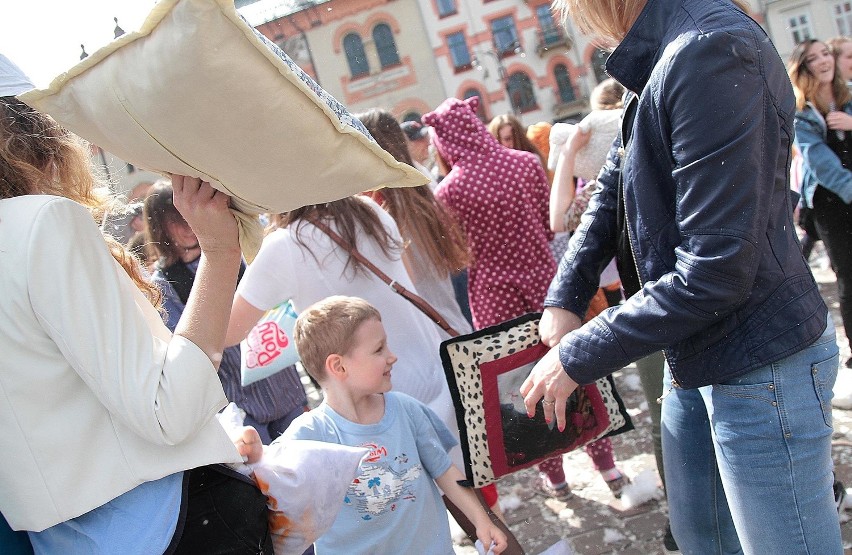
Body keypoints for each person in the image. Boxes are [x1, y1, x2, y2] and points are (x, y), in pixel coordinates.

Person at [521, 2, 842, 554]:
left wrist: (579, 353)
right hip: (699, 351)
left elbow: (717, 268)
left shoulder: (708, 47)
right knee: (704, 542)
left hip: (758, 360)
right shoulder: (669, 47)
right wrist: (566, 293)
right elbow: (613, 187)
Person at [0, 55, 269, 553]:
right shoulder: (40, 224)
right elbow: (166, 411)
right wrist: (220, 253)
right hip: (166, 524)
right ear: (30, 129)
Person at [279, 296, 508, 554]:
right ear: (338, 366)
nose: (392, 357)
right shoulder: (310, 434)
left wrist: (481, 520)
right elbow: (269, 476)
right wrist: (251, 450)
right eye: (379, 350)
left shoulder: (406, 409)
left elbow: (445, 471)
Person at [145, 180, 309, 444]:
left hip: (285, 386)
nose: (186, 226)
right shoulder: (164, 285)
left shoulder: (240, 248)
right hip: (239, 406)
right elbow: (180, 346)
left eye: (188, 217)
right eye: (175, 221)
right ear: (159, 227)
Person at [354, 108, 472, 339]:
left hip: (423, 335)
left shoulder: (377, 200)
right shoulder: (419, 181)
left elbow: (405, 277)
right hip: (451, 323)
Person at [790, 39, 852, 371]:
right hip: (831, 204)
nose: (823, 61)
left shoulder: (849, 96)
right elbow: (820, 164)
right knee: (849, 275)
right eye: (813, 58)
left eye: (826, 53)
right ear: (804, 68)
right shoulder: (802, 111)